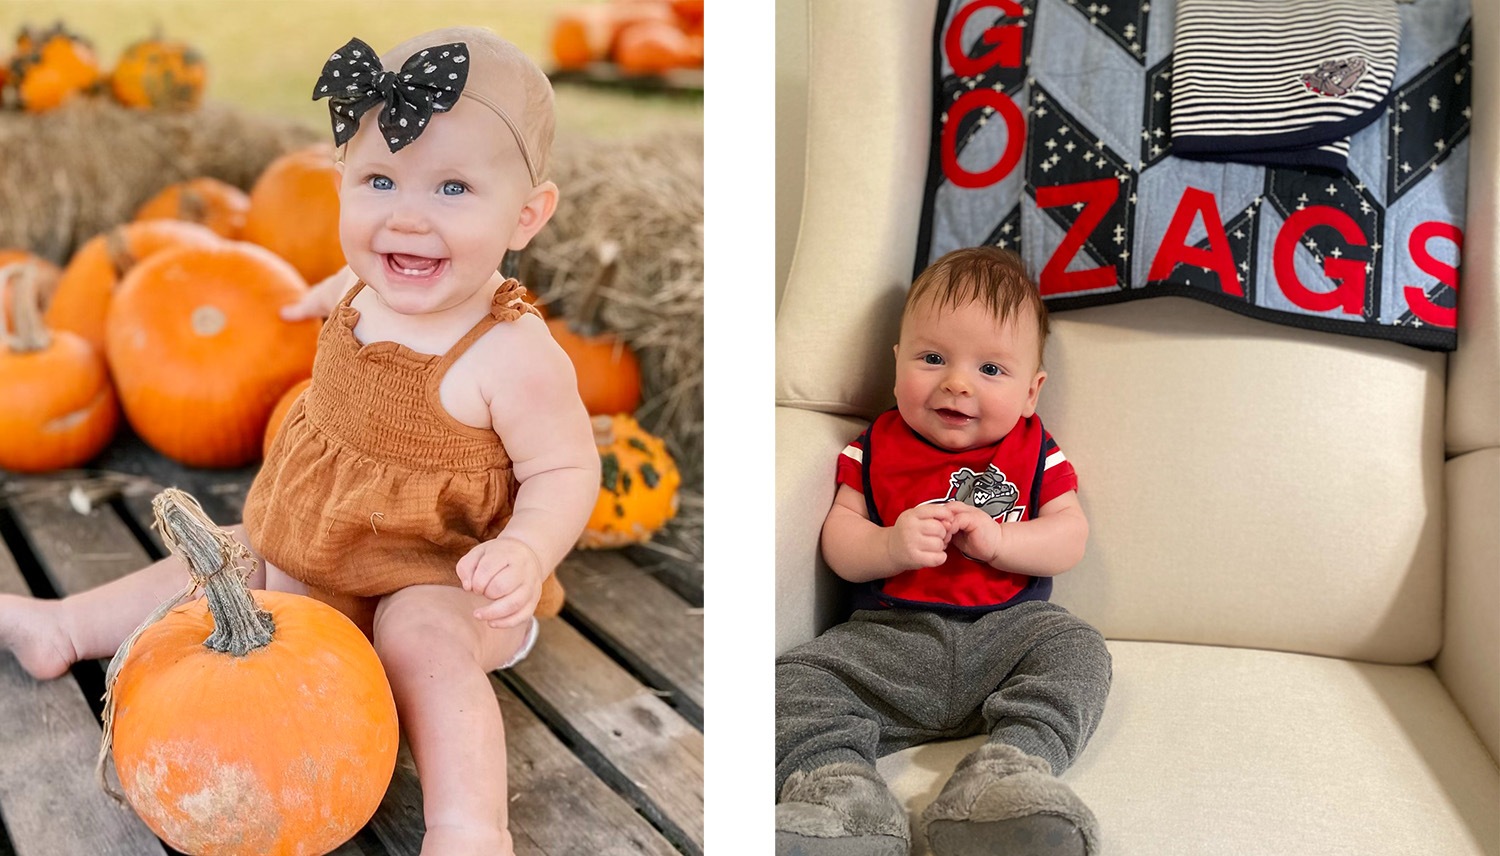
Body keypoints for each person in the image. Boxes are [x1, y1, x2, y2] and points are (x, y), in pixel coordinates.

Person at [0, 26, 599, 856]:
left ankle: (470, 827)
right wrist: (293, 303)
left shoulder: (511, 353)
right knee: (228, 561)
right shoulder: (365, 281)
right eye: (380, 180)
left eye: (454, 188)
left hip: (444, 576)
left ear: (527, 215)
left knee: (415, 638)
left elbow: (568, 466)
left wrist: (527, 552)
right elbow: (342, 282)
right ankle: (64, 627)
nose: (408, 218)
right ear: (344, 186)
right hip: (323, 541)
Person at [775, 247, 1112, 856]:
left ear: (1032, 392)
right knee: (792, 681)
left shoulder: (1037, 451)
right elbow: (840, 542)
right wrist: (888, 543)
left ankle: (1006, 778)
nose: (956, 382)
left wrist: (1003, 539)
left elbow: (1069, 535)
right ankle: (841, 797)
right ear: (898, 361)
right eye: (933, 358)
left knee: (1079, 649)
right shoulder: (873, 446)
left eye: (991, 369)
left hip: (1009, 635)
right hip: (886, 641)